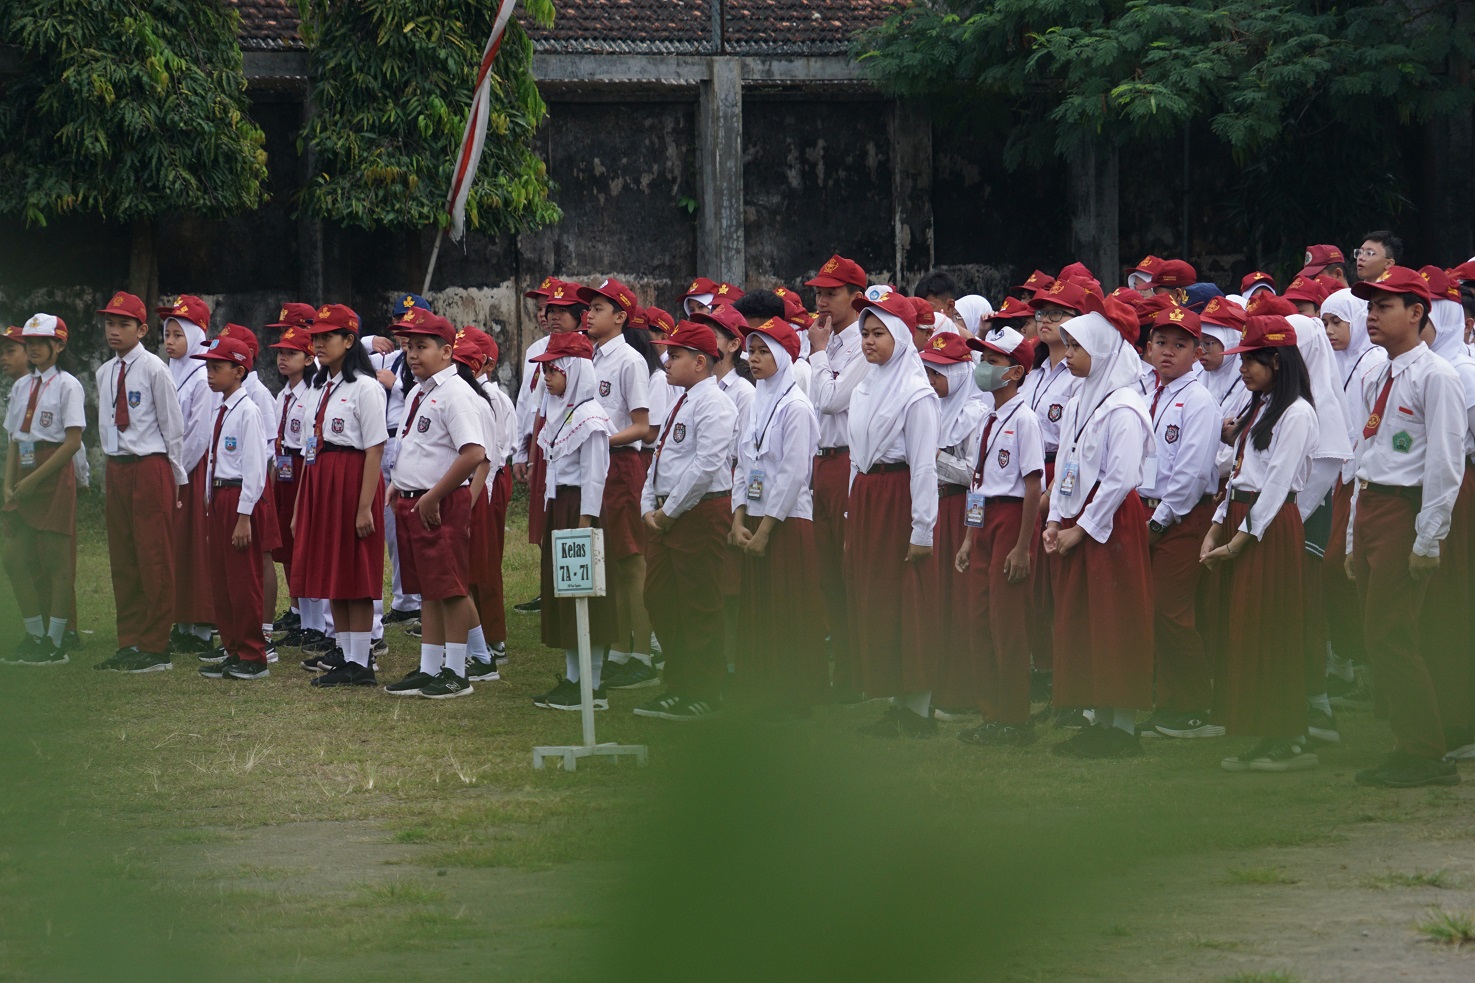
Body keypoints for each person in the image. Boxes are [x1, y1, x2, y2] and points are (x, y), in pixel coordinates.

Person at [1345, 267, 1464, 788]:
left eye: (1383, 306)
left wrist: (1428, 536)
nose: (1371, 315)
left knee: (1390, 632)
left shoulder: (1436, 375)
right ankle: (1405, 743)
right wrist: (1352, 534)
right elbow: (1364, 453)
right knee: (1378, 634)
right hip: (1373, 505)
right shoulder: (1378, 373)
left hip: (1404, 509)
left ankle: (1424, 751)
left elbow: (1445, 462)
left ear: (1417, 313)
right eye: (1368, 305)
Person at [1202, 315, 1321, 771]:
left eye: (1251, 361)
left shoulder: (1297, 413)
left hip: (1266, 527)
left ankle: (1289, 736)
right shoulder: (1261, 407)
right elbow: (1238, 475)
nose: (1243, 370)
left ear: (1277, 360)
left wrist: (1238, 541)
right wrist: (1217, 525)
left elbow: (1276, 484)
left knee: (1272, 627)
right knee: (1247, 630)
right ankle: (1263, 731)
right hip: (1243, 518)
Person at [1044, 312, 1155, 759]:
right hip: (1078, 516)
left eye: (1076, 348)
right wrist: (1055, 519)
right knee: (1084, 620)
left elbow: (1121, 476)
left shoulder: (1124, 405)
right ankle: (1099, 718)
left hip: (1111, 521)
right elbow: (1069, 466)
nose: (1067, 356)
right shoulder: (1079, 400)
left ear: (1103, 351)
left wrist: (1084, 529)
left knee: (1115, 617)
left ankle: (1123, 726)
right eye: (1066, 347)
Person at [844, 289, 941, 737]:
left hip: (897, 495)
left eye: (879, 333)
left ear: (901, 337)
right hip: (869, 495)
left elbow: (923, 464)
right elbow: (855, 455)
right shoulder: (865, 386)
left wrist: (923, 528)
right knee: (878, 597)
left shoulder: (916, 393)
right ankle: (897, 700)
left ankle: (919, 709)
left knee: (906, 598)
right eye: (865, 332)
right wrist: (851, 509)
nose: (868, 341)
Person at [375, 308, 487, 699]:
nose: (413, 355)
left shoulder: (455, 393)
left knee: (451, 588)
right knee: (428, 590)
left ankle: (456, 671)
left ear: (446, 351)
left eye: (422, 346)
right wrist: (398, 485)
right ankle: (429, 666)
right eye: (408, 348)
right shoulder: (421, 391)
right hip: (413, 501)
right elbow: (417, 446)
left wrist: (433, 495)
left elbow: (473, 453)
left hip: (439, 504)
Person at [636, 320, 738, 721]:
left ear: (700, 362)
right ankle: (678, 683)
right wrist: (649, 501)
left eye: (675, 355)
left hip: (698, 512)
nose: (666, 360)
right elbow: (663, 456)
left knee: (699, 602)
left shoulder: (715, 402)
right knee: (660, 598)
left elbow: (707, 464)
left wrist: (668, 510)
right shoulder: (685, 398)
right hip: (669, 511)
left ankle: (704, 690)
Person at [953, 327, 1045, 746]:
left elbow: (1032, 486)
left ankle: (1014, 717)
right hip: (984, 518)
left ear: (1016, 372)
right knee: (979, 619)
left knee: (1006, 623)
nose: (983, 368)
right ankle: (991, 712)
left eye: (992, 362)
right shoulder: (988, 416)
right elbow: (977, 481)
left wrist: (1024, 545)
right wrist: (970, 538)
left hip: (1011, 520)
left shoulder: (1024, 419)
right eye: (983, 359)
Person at [1135, 306, 1224, 739]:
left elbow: (1191, 473)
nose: (1167, 352)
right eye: (1161, 343)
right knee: (1155, 612)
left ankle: (1193, 707)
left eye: (1180, 344)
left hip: (1183, 515)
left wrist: (1160, 520)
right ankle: (1169, 702)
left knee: (1171, 611)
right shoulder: (1152, 393)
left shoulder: (1200, 399)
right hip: (1149, 507)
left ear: (1197, 353)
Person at [730, 317, 824, 716]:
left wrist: (766, 528)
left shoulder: (796, 407)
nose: (754, 359)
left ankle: (795, 693)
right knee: (758, 607)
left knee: (788, 606)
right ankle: (761, 686)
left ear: (784, 357)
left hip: (785, 522)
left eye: (764, 351)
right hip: (752, 519)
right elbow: (741, 461)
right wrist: (737, 518)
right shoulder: (756, 401)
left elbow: (792, 474)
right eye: (751, 350)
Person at [290, 305, 388, 685]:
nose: (318, 344)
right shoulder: (320, 388)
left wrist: (365, 506)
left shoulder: (365, 387)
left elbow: (375, 449)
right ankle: (347, 656)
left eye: (327, 337)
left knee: (355, 569)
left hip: (352, 479)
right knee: (335, 569)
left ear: (349, 341)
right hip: (321, 479)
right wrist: (301, 506)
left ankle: (361, 662)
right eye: (315, 337)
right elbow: (309, 449)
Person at [93, 291, 187, 673]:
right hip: (117, 467)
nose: (114, 332)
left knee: (153, 556)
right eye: (109, 324)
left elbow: (172, 427)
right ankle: (129, 640)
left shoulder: (153, 369)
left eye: (123, 324)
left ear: (142, 329)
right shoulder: (104, 372)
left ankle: (155, 645)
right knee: (123, 557)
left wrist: (175, 476)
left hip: (149, 466)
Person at [528, 331, 617, 712]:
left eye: (554, 369)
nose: (547, 377)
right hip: (560, 509)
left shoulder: (591, 417)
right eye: (546, 370)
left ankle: (592, 684)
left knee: (587, 593)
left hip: (581, 511)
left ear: (574, 370)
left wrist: (583, 524)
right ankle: (572, 677)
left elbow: (594, 476)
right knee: (564, 593)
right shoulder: (560, 414)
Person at [580, 278, 655, 690]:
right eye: (589, 308)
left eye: (597, 308)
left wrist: (597, 437)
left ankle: (642, 653)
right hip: (597, 467)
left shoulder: (629, 360)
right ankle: (622, 649)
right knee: (607, 561)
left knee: (631, 562)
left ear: (621, 316)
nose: (588, 314)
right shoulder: (589, 358)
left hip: (622, 467)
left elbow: (642, 427)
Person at [191, 336, 280, 680]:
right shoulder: (222, 408)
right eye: (208, 367)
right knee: (222, 579)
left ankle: (253, 654)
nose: (209, 374)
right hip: (219, 496)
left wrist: (244, 515)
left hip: (239, 498)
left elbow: (256, 469)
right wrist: (208, 498)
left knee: (243, 581)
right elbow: (216, 458)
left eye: (217, 367)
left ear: (239, 371)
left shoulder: (248, 411)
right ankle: (233, 649)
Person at [0, 314, 84, 665]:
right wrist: (7, 484)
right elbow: (15, 440)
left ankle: (55, 640)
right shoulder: (20, 387)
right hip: (24, 471)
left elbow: (73, 441)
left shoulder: (69, 386)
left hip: (52, 473)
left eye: (40, 342)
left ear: (59, 345)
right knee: (14, 556)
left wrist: (34, 480)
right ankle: (34, 634)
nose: (32, 348)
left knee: (56, 558)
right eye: (29, 342)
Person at [804, 253, 870, 700]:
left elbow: (830, 400)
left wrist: (817, 353)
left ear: (854, 295)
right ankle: (839, 672)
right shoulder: (823, 341)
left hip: (847, 458)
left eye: (832, 292)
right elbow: (811, 400)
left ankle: (854, 673)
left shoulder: (863, 343)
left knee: (848, 570)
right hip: (821, 459)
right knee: (825, 571)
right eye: (819, 293)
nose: (823, 300)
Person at [1319, 288, 1385, 711]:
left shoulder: (1373, 363)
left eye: (1337, 322)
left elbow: (1367, 428)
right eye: (1324, 323)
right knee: (1337, 570)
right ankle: (1351, 665)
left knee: (1348, 568)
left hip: (1361, 475)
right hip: (1341, 475)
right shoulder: (1339, 361)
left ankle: (1365, 669)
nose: (1329, 331)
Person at [924, 331, 990, 720]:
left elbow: (973, 474)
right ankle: (941, 686)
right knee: (940, 599)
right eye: (928, 372)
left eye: (939, 372)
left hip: (963, 509)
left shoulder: (976, 415)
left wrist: (932, 456)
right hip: (937, 508)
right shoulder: (934, 408)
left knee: (963, 600)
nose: (932, 381)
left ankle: (966, 692)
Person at [158, 296, 215, 657]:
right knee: (175, 544)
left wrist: (179, 471)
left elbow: (198, 433)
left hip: (192, 472)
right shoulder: (168, 372)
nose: (171, 341)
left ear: (195, 336)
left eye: (179, 334)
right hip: (172, 468)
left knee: (197, 545)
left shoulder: (202, 377)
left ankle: (203, 627)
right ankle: (181, 623)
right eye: (168, 333)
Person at [265, 319, 314, 649]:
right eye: (280, 353)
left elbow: (309, 441)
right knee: (284, 544)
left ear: (309, 359)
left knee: (302, 544)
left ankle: (310, 619)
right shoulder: (282, 394)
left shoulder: (311, 394)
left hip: (300, 467)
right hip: (282, 468)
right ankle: (297, 611)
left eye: (292, 353)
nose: (283, 359)